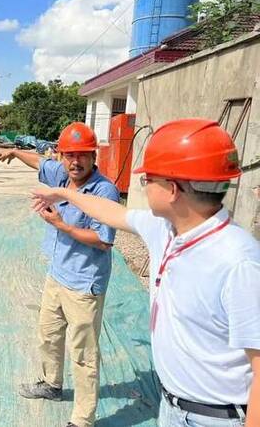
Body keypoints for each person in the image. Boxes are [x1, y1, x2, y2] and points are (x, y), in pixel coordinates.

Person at [31, 118, 260, 427]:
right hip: (172, 407)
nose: (142, 185)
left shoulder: (239, 262)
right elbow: (111, 212)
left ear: (173, 189)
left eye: (147, 179)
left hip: (215, 417)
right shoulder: (164, 228)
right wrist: (67, 194)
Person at [0, 122, 120, 427]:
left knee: (83, 353)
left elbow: (103, 240)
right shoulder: (61, 174)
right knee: (49, 335)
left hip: (83, 283)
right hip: (57, 275)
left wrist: (62, 225)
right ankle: (52, 385)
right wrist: (14, 150)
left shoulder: (104, 191)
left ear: (93, 157)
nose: (74, 162)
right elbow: (39, 162)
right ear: (62, 156)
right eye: (69, 155)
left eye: (82, 155)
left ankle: (82, 419)